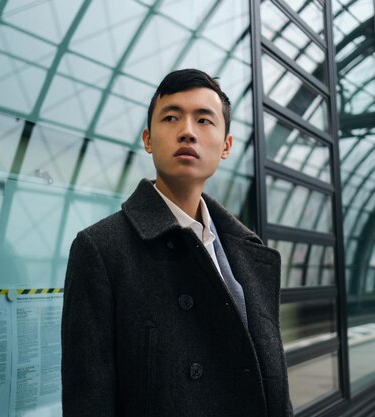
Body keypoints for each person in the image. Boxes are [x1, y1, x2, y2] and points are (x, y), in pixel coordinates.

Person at [62, 69, 292, 417]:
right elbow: (88, 400)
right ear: (148, 139)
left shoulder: (247, 250)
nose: (187, 131)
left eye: (204, 120)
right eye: (171, 117)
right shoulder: (102, 250)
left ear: (226, 146)